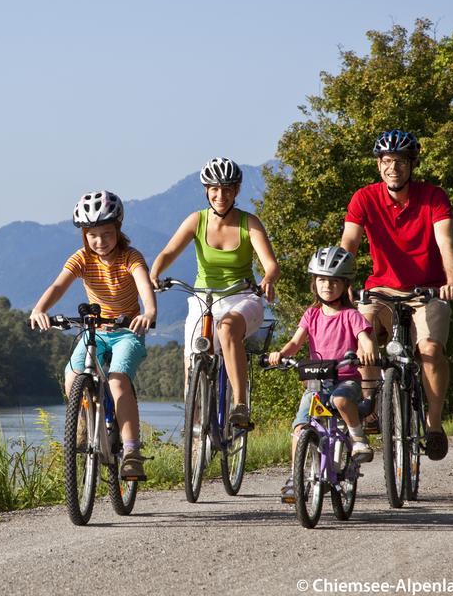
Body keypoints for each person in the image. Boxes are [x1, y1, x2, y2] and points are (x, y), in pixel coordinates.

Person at [341, 130, 453, 461]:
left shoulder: (434, 197)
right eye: (386, 161)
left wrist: (451, 278)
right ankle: (370, 407)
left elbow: (445, 241)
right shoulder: (364, 198)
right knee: (359, 331)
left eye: (400, 161)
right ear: (379, 165)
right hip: (381, 289)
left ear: (412, 165)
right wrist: (341, 277)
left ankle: (433, 425)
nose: (393, 167)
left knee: (431, 350)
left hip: (427, 291)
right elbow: (349, 243)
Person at [29, 190, 157, 480]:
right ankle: (86, 421)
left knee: (117, 381)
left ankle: (132, 451)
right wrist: (39, 309)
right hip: (94, 332)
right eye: (93, 235)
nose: (100, 241)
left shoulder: (130, 257)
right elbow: (58, 287)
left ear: (118, 230)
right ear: (84, 235)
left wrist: (148, 312)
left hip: (126, 332)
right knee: (72, 376)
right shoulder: (82, 258)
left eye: (107, 233)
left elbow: (144, 286)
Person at [149, 157, 280, 429]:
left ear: (237, 191)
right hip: (203, 299)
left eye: (227, 189)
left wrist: (268, 278)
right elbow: (168, 252)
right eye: (215, 189)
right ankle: (197, 436)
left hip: (242, 297)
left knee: (228, 328)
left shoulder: (249, 223)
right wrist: (155, 273)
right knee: (192, 364)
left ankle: (240, 405)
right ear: (207, 191)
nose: (220, 195)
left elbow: (271, 265)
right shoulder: (196, 220)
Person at [268, 247, 376, 503]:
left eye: (335, 281)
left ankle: (358, 438)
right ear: (314, 283)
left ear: (345, 285)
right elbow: (296, 342)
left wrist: (369, 352)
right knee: (301, 427)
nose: (328, 286)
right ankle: (297, 478)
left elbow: (365, 338)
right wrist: (280, 354)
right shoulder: (312, 314)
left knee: (340, 401)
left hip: (346, 379)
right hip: (316, 382)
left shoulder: (351, 315)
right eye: (322, 280)